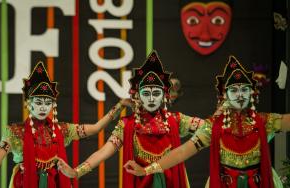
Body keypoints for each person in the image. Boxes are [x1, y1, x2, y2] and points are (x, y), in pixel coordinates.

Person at [0, 61, 130, 188]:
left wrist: (119, 107)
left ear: (53, 105)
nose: (42, 107)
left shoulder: (62, 130)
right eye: (38, 102)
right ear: (27, 104)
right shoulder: (16, 132)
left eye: (47, 102)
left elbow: (96, 129)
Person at [124, 55, 290, 188]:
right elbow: (182, 152)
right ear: (225, 95)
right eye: (234, 90)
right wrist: (147, 171)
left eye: (244, 89)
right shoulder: (213, 127)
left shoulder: (265, 121)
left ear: (252, 94)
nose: (239, 94)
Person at [57, 50, 207, 188]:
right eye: (146, 93)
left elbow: (210, 128)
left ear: (164, 96)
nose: (151, 98)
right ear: (138, 95)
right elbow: (103, 152)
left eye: (156, 93)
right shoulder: (127, 125)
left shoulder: (176, 121)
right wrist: (76, 172)